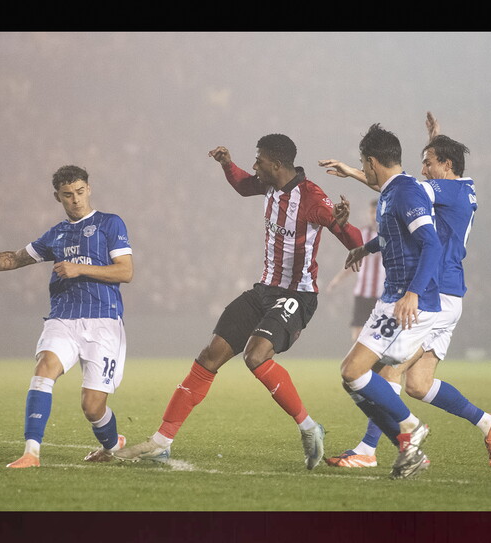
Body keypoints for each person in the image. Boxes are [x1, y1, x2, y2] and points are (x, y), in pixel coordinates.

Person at [113, 134, 363, 470]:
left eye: (259, 159)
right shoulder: (269, 186)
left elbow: (354, 239)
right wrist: (227, 164)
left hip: (297, 295)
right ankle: (161, 442)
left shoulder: (313, 199)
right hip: (263, 291)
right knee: (209, 356)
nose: (255, 164)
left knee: (255, 355)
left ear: (276, 163)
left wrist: (344, 227)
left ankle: (309, 426)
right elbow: (244, 185)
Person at [320, 112, 491, 471]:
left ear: (447, 165)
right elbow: (399, 205)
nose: (423, 170)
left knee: (384, 372)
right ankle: (488, 422)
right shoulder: (461, 189)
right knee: (419, 385)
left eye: (429, 163)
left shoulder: (446, 189)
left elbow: (395, 185)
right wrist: (369, 246)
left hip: (431, 293)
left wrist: (355, 172)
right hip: (447, 294)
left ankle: (374, 448)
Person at [0, 165, 134, 468]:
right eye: (68, 195)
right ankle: (31, 453)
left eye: (80, 192)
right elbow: (14, 258)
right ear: (57, 197)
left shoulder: (110, 224)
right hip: (63, 318)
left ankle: (112, 444)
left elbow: (125, 271)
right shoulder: (56, 234)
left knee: (93, 407)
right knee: (44, 370)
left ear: (89, 189)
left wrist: (78, 267)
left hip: (104, 322)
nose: (76, 200)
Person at [325, 199, 387, 342]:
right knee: (357, 335)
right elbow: (353, 262)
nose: (373, 216)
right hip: (362, 293)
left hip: (382, 295)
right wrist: (336, 281)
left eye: (376, 212)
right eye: (371, 212)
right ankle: (360, 364)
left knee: (379, 337)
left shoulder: (390, 234)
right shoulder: (362, 234)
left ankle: (374, 363)